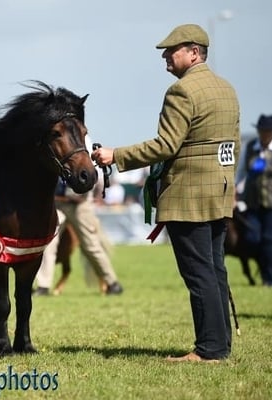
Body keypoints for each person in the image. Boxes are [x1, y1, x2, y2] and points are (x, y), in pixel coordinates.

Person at [92, 24, 240, 363]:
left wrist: (117, 155)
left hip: (187, 195)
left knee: (198, 272)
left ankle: (208, 350)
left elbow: (166, 145)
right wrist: (226, 181)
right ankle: (220, 345)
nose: (164, 57)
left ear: (193, 51)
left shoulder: (181, 92)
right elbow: (233, 144)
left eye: (171, 50)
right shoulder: (227, 89)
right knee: (214, 269)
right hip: (218, 192)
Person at [34, 172, 123, 296]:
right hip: (59, 204)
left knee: (91, 246)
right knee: (49, 242)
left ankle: (112, 283)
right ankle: (43, 286)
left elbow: (85, 185)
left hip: (80, 205)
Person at [237, 114, 272, 286]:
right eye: (261, 131)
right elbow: (242, 171)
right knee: (252, 238)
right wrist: (234, 190)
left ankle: (267, 278)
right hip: (252, 201)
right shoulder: (251, 147)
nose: (263, 134)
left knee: (268, 240)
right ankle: (261, 267)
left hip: (271, 204)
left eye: (266, 131)